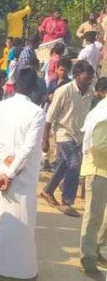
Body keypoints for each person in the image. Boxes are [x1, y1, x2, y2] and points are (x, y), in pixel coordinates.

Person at [0, 69, 45, 281]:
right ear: (35, 90)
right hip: (18, 179)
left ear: (13, 86)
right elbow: (28, 149)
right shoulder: (36, 112)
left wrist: (5, 161)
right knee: (20, 224)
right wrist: (11, 170)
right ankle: (15, 272)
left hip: (0, 174)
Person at [41, 60, 95, 217]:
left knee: (65, 165)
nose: (90, 80)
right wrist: (45, 139)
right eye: (87, 77)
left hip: (79, 135)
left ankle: (48, 190)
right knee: (74, 163)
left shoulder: (90, 91)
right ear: (78, 76)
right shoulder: (64, 91)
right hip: (64, 134)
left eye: (91, 78)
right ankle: (67, 201)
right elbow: (49, 117)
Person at [79, 76, 107, 277]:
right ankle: (87, 259)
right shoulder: (102, 113)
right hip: (98, 168)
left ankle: (97, 249)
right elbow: (94, 145)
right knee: (94, 215)